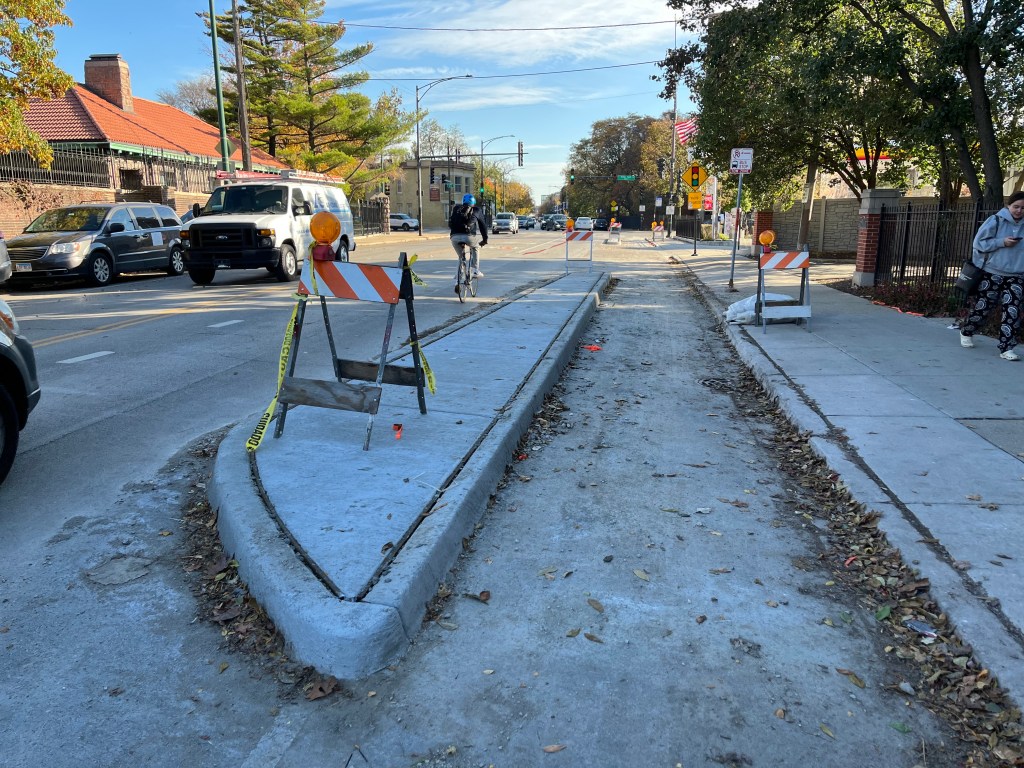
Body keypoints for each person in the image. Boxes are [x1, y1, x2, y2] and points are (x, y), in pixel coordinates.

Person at [959, 191, 1024, 360]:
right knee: (983, 307)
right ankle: (967, 331)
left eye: (1023, 208)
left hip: (1017, 274)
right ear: (1008, 206)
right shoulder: (996, 220)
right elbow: (979, 243)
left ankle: (1006, 348)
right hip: (992, 272)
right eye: (1016, 207)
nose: (1019, 211)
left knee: (1012, 311)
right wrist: (1002, 242)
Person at [448, 193, 488, 288]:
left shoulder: (456, 208)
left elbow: (451, 223)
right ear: (473, 202)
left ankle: (458, 280)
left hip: (454, 237)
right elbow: (483, 226)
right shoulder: (476, 210)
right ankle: (475, 269)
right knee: (476, 247)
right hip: (469, 236)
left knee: (461, 257)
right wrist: (485, 239)